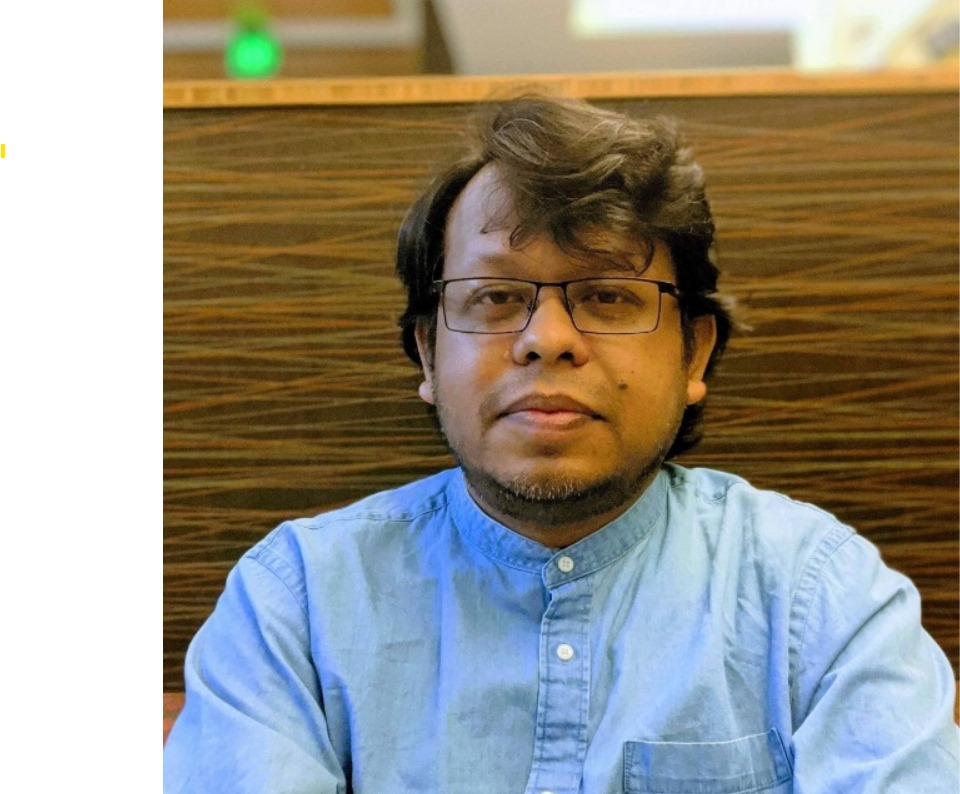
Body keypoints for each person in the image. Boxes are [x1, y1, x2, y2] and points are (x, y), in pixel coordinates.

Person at [163, 95, 958, 793]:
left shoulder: (820, 598)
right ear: (429, 356)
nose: (547, 339)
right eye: (495, 296)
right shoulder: (294, 605)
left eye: (608, 295)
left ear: (694, 354)